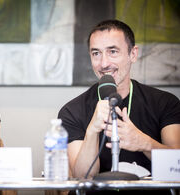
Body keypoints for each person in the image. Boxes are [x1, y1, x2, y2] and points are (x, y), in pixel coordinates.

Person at [58, 20, 180, 194]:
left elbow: (177, 167)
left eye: (113, 51)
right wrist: (92, 130)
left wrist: (143, 142)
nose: (104, 63)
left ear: (133, 54)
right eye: (96, 53)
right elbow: (83, 177)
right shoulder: (72, 110)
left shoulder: (165, 102)